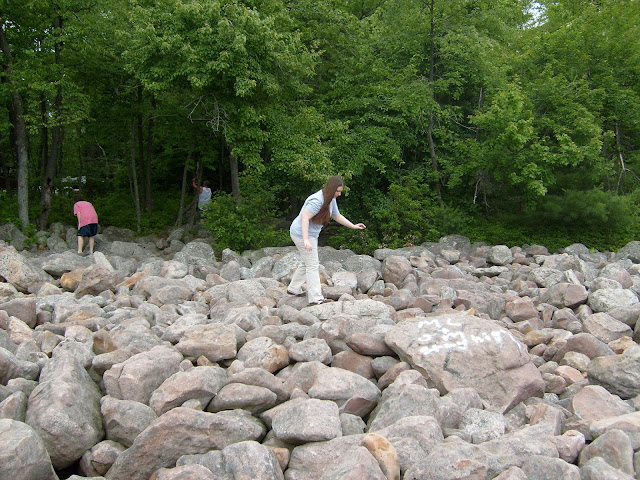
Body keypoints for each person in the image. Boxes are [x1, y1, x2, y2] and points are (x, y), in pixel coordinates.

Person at [288, 176, 366, 305]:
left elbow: (337, 215)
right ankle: (316, 298)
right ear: (331, 189)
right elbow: (304, 218)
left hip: (311, 235)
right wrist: (306, 239)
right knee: (313, 265)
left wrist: (353, 226)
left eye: (340, 191)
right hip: (301, 234)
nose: (339, 194)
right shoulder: (317, 200)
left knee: (307, 261)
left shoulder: (331, 199)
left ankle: (293, 288)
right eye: (338, 191)